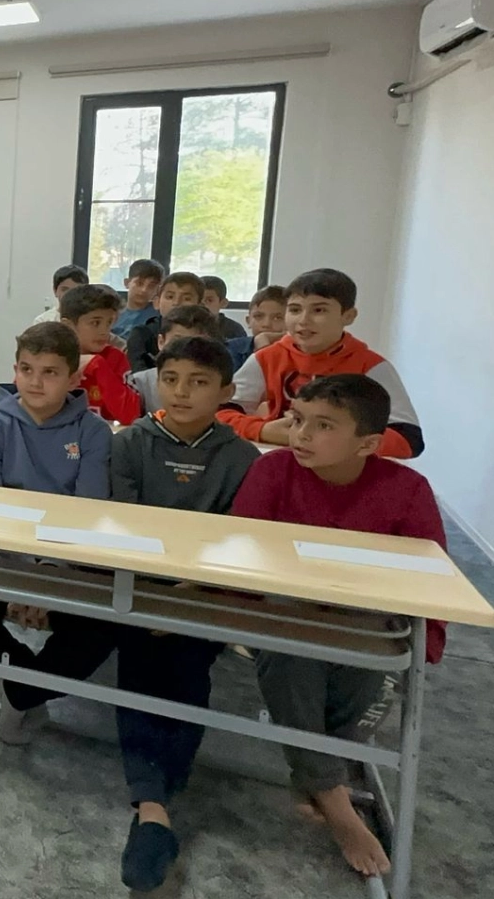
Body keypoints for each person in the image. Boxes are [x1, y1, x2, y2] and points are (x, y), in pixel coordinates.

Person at [231, 374, 448, 880]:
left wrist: (419, 637)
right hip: (288, 609)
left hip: (365, 614)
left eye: (324, 426)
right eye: (297, 419)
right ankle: (332, 792)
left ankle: (314, 774)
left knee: (371, 665)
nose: (301, 434)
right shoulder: (273, 471)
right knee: (290, 649)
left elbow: (431, 579)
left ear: (367, 444)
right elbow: (245, 554)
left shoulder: (408, 489)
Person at [109, 336, 260, 891]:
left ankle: (156, 803)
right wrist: (156, 597)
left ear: (225, 391)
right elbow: (122, 525)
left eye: (198, 382)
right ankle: (154, 807)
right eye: (170, 379)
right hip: (138, 583)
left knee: (190, 665)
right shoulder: (131, 443)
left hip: (203, 590)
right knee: (139, 662)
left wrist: (187, 594)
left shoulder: (242, 457)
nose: (181, 392)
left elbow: (238, 539)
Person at [0, 322, 112, 743]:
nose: (35, 381)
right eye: (26, 369)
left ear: (74, 378)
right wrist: (23, 582)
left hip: (69, 562)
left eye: (50, 372)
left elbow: (86, 513)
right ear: (15, 370)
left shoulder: (93, 432)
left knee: (100, 631)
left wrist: (46, 578)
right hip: (1, 557)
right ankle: (21, 674)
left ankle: (18, 690)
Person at [219, 269, 423, 457]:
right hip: (279, 464)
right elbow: (219, 412)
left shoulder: (370, 366)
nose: (303, 320)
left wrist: (340, 441)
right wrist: (262, 430)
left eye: (319, 310)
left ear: (348, 316)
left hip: (345, 473)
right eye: (295, 310)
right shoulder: (267, 358)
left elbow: (409, 439)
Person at [60, 284, 142, 426]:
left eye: (109, 322)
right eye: (95, 323)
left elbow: (131, 415)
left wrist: (98, 366)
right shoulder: (52, 358)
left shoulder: (115, 358)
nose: (105, 331)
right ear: (69, 326)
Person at [126, 304, 220, 414]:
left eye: (195, 343)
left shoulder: (218, 383)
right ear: (161, 342)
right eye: (177, 341)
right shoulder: (139, 382)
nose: (186, 350)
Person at [125, 272, 204, 372]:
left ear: (200, 305)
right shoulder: (141, 334)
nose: (176, 303)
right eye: (170, 297)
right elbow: (139, 374)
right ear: (157, 302)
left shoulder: (206, 333)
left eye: (186, 299)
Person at [228, 283, 289, 367]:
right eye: (258, 316)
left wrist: (264, 348)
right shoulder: (231, 349)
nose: (266, 324)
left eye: (277, 318)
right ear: (248, 321)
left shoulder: (300, 353)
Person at [113, 258, 167, 337]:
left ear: (158, 289)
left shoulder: (159, 315)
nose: (144, 290)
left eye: (151, 286)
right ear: (127, 283)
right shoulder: (112, 313)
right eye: (139, 283)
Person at [199, 274, 249, 342]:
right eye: (199, 300)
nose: (202, 305)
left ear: (223, 303)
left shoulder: (234, 329)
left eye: (209, 300)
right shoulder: (187, 327)